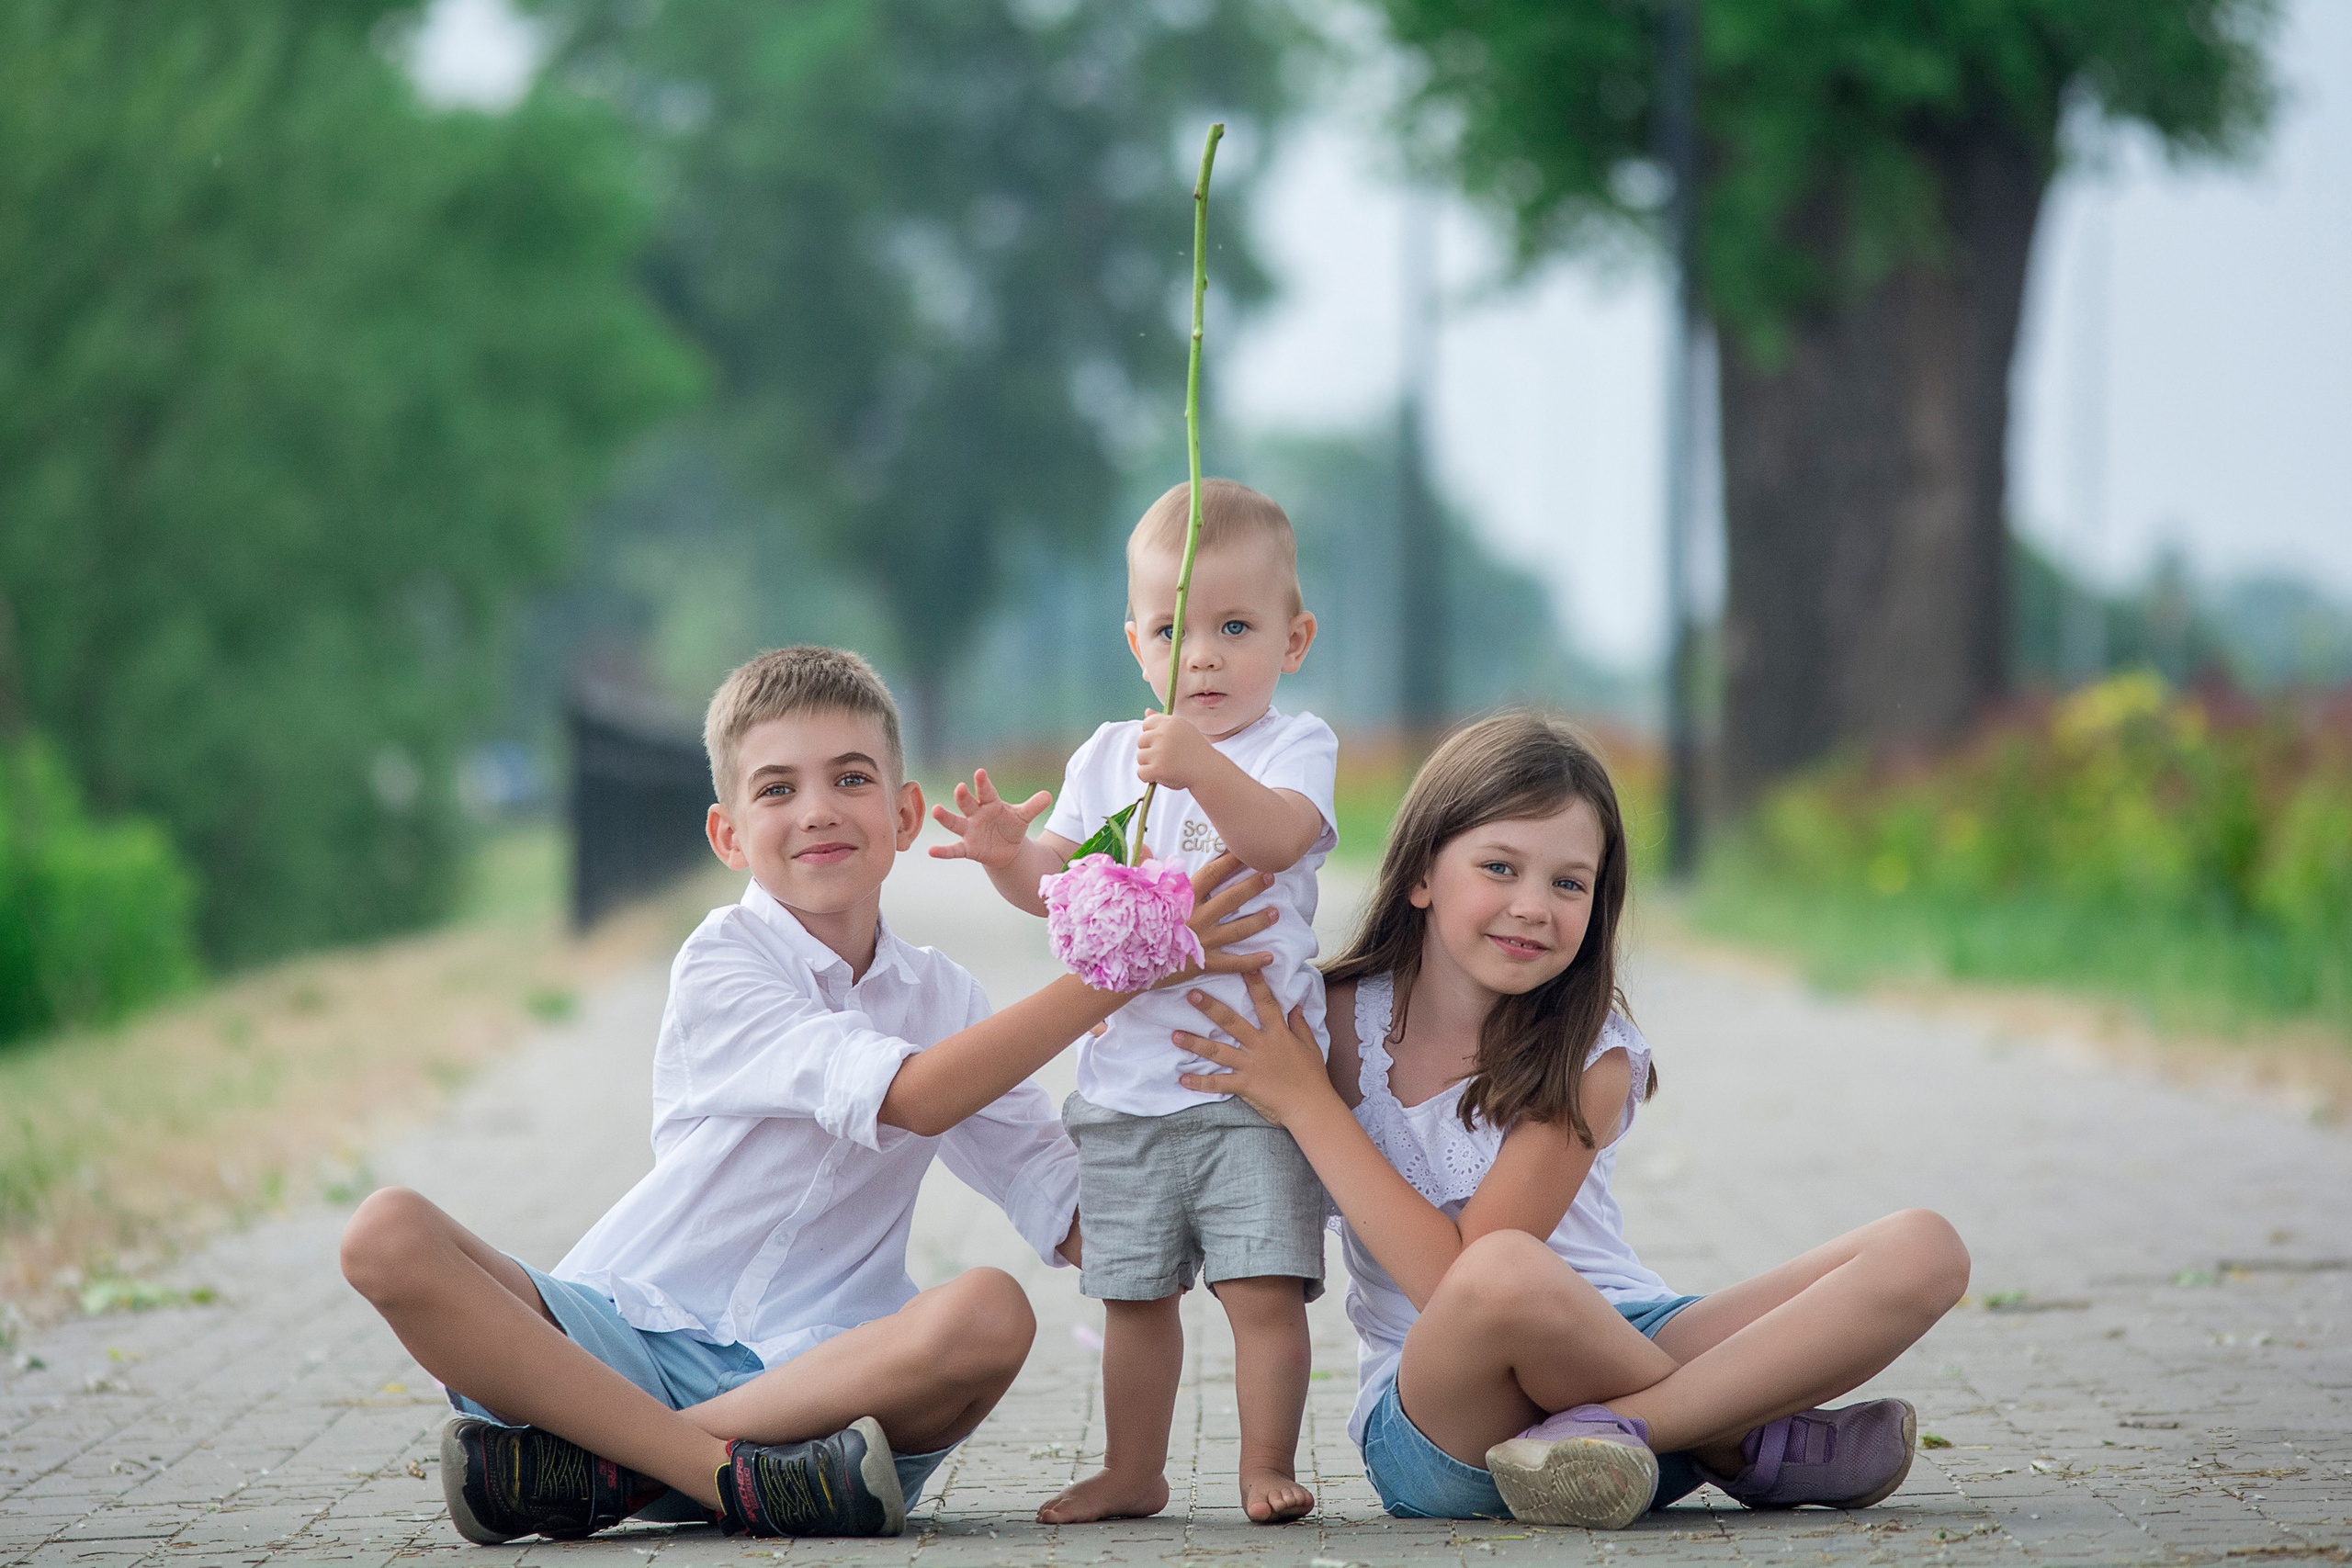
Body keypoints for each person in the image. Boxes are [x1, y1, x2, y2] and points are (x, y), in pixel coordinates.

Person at [337, 647, 1278, 1544]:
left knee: (991, 1313)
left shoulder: (943, 997)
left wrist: (1226, 1147)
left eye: (851, 778)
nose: (818, 811)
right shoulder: (722, 961)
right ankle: (716, 1477)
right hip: (624, 1344)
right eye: (777, 789)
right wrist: (1127, 963)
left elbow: (1070, 1205)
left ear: (905, 815)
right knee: (386, 1233)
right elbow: (911, 1096)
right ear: (728, 834)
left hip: (824, 1388)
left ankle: (601, 1472)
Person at [1164, 713, 1973, 1528]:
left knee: (1926, 1248)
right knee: (1505, 1274)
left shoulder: (1590, 1055)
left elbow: (1470, 1268)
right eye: (1499, 866)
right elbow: (1463, 1295)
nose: (1532, 906)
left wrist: (1308, 1105)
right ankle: (1732, 1432)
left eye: (1569, 883)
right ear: (1421, 873)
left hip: (1623, 1335)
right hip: (1447, 1417)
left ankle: (1633, 1431)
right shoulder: (1327, 1021)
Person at [932, 479, 1335, 1525]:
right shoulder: (1111, 758)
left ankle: (1264, 1462)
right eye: (1172, 630)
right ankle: (1134, 1469)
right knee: (1133, 1296)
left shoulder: (1291, 747)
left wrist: (1199, 769)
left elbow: (1278, 838)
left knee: (1261, 1289)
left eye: (1234, 627)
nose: (1201, 656)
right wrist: (1009, 858)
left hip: (1250, 1084)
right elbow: (1061, 889)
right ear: (1135, 642)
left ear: (1292, 640)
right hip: (1124, 1091)